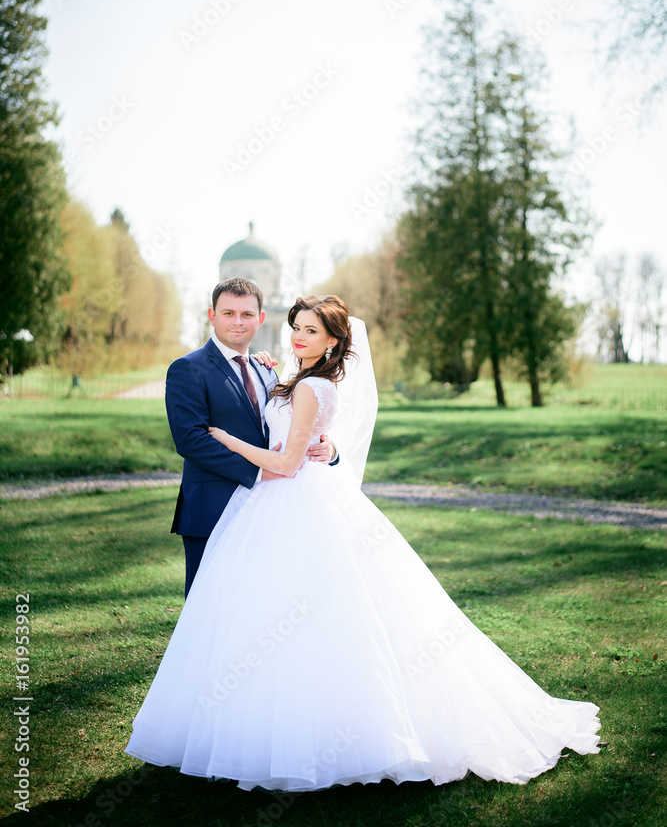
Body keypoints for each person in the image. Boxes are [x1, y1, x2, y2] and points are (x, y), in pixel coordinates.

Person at [126, 295, 601, 793]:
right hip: (240, 507)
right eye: (298, 328)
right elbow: (207, 437)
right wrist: (311, 448)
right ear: (214, 316)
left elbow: (292, 453)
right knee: (236, 619)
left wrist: (239, 441)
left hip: (287, 499)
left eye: (311, 330)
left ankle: (306, 734)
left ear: (333, 339)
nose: (299, 337)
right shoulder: (252, 371)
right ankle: (228, 726)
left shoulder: (305, 382)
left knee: (304, 617)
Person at [165, 278, 338, 597]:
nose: (237, 321)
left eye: (247, 314)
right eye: (228, 313)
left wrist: (327, 448)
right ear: (211, 315)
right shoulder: (188, 369)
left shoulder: (267, 371)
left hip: (268, 508)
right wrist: (259, 472)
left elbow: (291, 428)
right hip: (213, 505)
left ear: (261, 319)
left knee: (253, 605)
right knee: (209, 604)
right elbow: (191, 440)